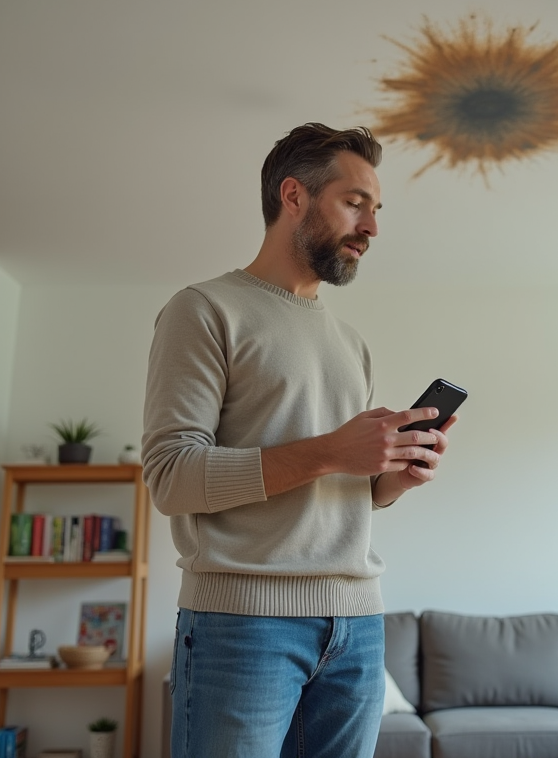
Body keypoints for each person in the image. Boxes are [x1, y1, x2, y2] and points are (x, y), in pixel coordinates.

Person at [142, 123, 455, 758]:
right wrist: (335, 451)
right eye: (354, 202)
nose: (371, 228)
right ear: (294, 196)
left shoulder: (350, 343)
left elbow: (338, 493)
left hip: (360, 623)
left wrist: (391, 477)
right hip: (242, 623)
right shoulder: (203, 310)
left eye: (376, 210)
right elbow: (172, 479)